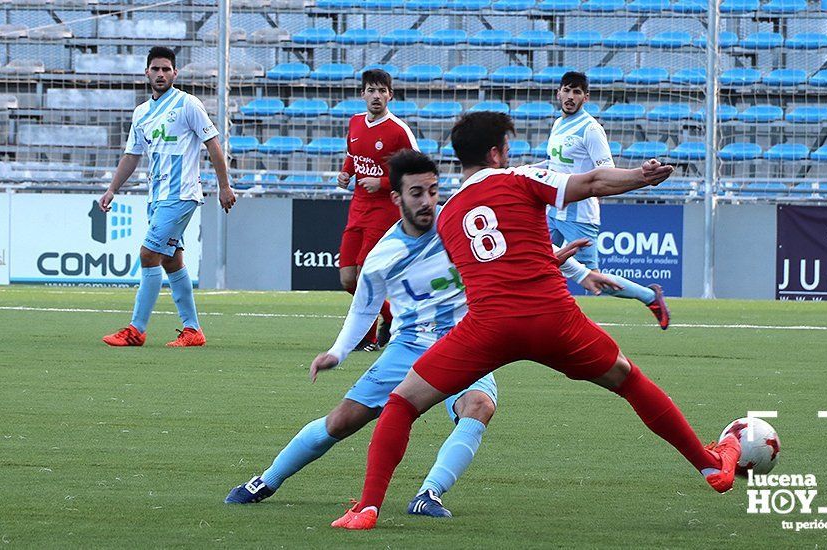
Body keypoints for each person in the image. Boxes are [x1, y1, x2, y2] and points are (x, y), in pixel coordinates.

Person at [331, 112, 741, 530]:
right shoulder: (519, 178)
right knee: (629, 380)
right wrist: (641, 175)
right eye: (506, 149)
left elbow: (481, 266)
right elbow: (595, 182)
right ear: (495, 153)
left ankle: (366, 508)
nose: (510, 156)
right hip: (552, 318)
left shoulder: (447, 214)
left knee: (401, 404)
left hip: (488, 327)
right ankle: (710, 467)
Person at [226, 150, 620, 517]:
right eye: (416, 193)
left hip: (466, 337)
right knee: (342, 422)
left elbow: (518, 251)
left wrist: (582, 273)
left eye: (433, 190)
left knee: (479, 406)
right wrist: (337, 353)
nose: (427, 200)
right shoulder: (383, 256)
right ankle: (266, 480)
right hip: (409, 346)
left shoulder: (459, 220)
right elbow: (363, 307)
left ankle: (428, 493)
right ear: (396, 197)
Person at [100, 46, 235, 347]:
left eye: (166, 69)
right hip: (157, 195)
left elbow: (213, 144)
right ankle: (193, 331)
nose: (161, 74)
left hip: (182, 193)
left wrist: (224, 186)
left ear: (175, 73)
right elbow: (132, 155)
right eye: (155, 69)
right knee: (171, 261)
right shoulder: (141, 113)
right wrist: (112, 189)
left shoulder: (188, 104)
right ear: (146, 72)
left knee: (149, 254)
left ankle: (136, 330)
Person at [544, 72, 670, 329]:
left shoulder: (590, 129)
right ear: (558, 92)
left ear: (585, 97)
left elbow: (606, 170)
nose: (570, 96)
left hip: (580, 215)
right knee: (536, 260)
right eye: (566, 90)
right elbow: (554, 164)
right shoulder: (558, 124)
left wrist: (639, 175)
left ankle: (650, 297)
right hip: (553, 210)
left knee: (595, 279)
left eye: (577, 92)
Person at [337, 69, 420, 351]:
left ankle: (367, 337)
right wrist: (346, 173)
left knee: (364, 275)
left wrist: (383, 182)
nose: (376, 96)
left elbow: (417, 172)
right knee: (347, 278)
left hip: (385, 211)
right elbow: (353, 156)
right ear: (363, 94)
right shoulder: (355, 123)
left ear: (390, 95)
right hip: (357, 208)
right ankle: (392, 316)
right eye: (371, 90)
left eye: (382, 91)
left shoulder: (399, 131)